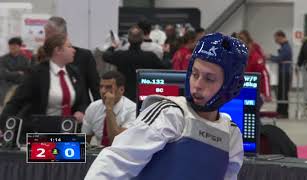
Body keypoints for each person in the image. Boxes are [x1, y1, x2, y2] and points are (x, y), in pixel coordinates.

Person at [85, 33, 248, 180]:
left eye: (209, 79)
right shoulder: (170, 114)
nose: (197, 85)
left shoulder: (231, 135)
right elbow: (115, 161)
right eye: (195, 74)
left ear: (230, 85)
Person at [0, 34, 86, 137]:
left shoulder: (74, 73)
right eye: (69, 46)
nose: (74, 50)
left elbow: (83, 100)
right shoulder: (37, 73)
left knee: (67, 153)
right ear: (58, 50)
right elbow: (16, 101)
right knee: (49, 153)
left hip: (69, 132)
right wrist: (2, 125)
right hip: (40, 133)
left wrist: (81, 111)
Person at [44, 16, 100, 107]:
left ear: (63, 35)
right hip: (50, 114)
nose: (46, 39)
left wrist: (99, 113)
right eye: (46, 34)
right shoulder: (42, 58)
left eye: (49, 35)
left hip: (80, 113)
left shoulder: (83, 56)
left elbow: (96, 88)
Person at [103, 25, 165, 102]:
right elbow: (165, 67)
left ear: (128, 39)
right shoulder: (150, 56)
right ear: (142, 39)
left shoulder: (120, 55)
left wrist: (112, 47)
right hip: (144, 95)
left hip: (125, 95)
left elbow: (105, 56)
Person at [82, 71, 136, 146]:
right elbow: (85, 141)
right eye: (101, 87)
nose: (103, 91)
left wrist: (109, 109)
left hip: (121, 154)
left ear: (121, 90)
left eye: (108, 87)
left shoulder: (132, 109)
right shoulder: (93, 107)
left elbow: (116, 141)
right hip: (98, 154)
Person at [239, 30, 272, 103]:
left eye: (242, 39)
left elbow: (264, 75)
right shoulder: (235, 56)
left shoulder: (255, 57)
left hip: (253, 91)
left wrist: (267, 94)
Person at [267, 30, 292, 118]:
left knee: (283, 93)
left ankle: (283, 112)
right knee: (281, 92)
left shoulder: (286, 47)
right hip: (282, 72)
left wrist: (271, 57)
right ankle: (280, 110)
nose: (275, 40)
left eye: (276, 38)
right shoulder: (284, 47)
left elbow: (280, 58)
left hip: (285, 72)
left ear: (281, 37)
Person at [0, 37, 31, 106]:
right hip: (6, 85)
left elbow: (27, 73)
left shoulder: (25, 59)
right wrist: (18, 73)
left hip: (20, 85)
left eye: (15, 47)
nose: (12, 48)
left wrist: (10, 73)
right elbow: (2, 74)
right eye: (11, 47)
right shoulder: (3, 59)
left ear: (19, 47)